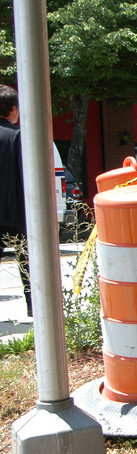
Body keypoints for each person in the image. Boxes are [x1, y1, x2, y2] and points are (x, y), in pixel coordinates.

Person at [0, 85, 31, 317]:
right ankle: (33, 307)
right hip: (15, 213)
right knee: (27, 262)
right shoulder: (17, 137)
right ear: (12, 109)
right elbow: (26, 177)